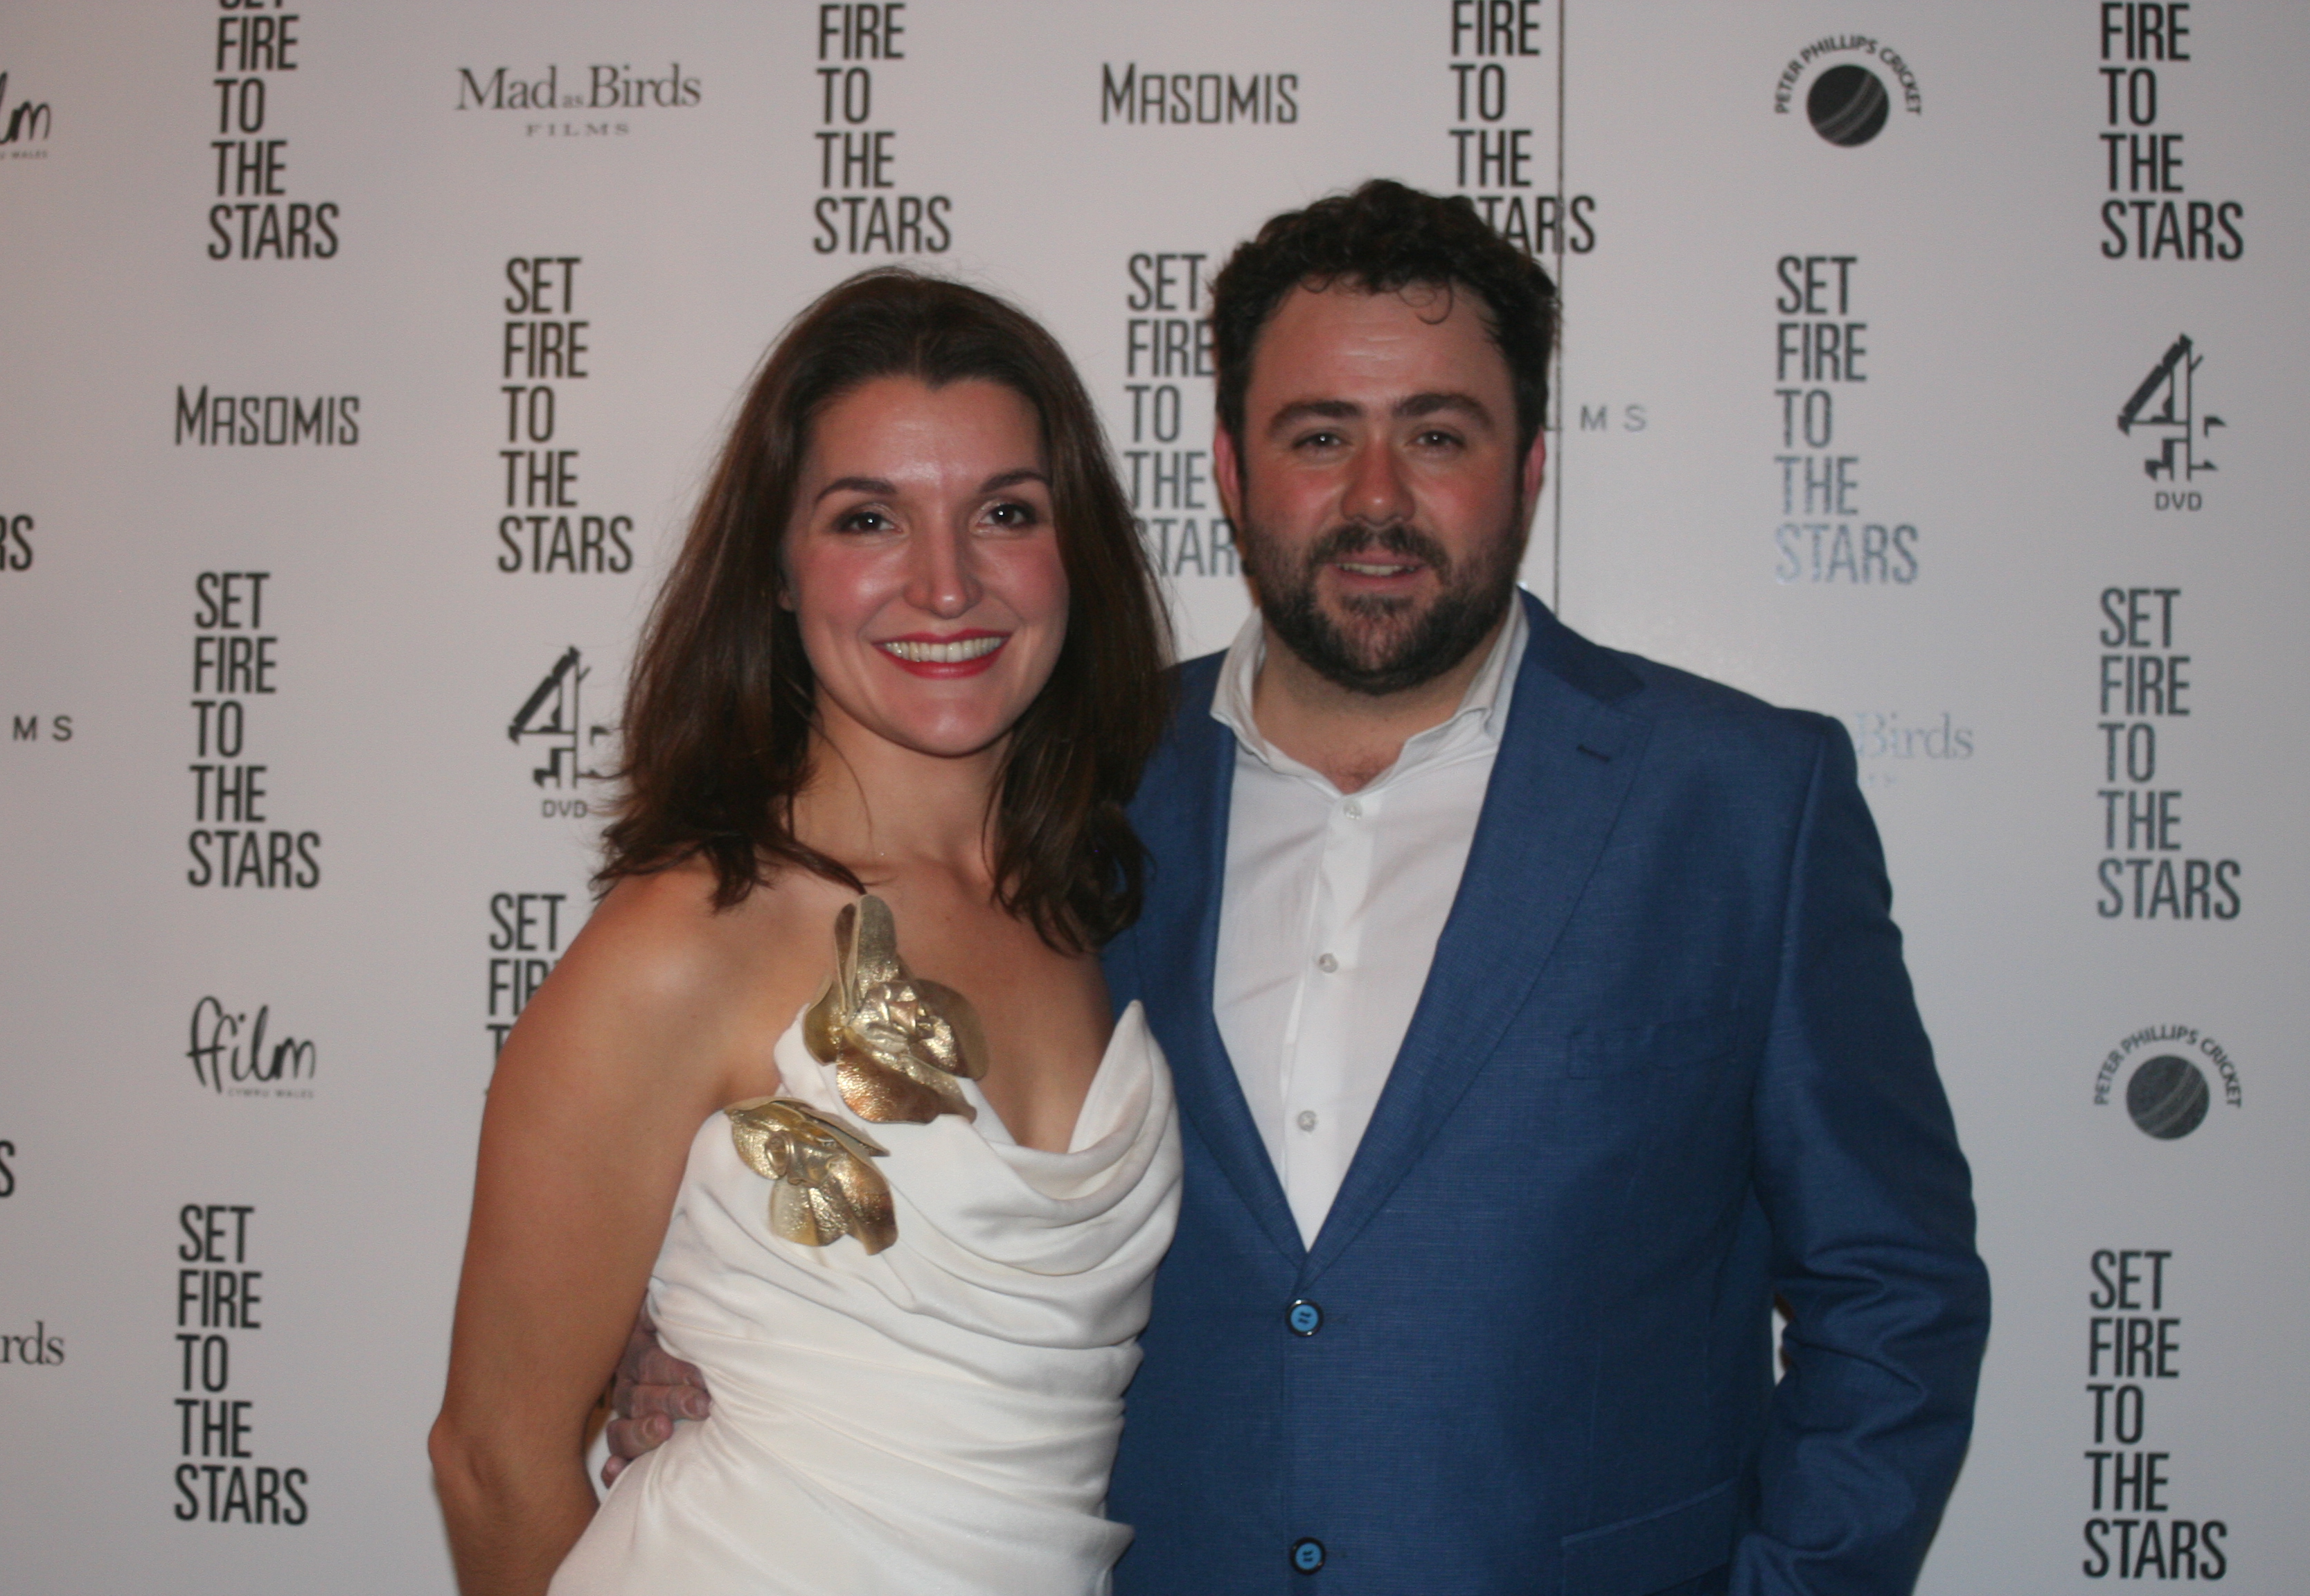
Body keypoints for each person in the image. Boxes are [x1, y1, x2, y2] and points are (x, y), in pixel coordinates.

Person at [613, 181, 1991, 1593]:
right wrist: (660, 1333)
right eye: (1320, 435)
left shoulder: (1739, 802)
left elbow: (1892, 1290)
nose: (1378, 498)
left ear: (1526, 472)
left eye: (1439, 435)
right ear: (1229, 468)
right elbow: (787, 1085)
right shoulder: (1057, 791)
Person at [428, 268, 1182, 1596]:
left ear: (1078, 553)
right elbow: (493, 1458)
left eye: (1005, 512)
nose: (945, 585)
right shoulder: (689, 935)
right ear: (777, 571)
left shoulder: (1095, 894)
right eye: (868, 519)